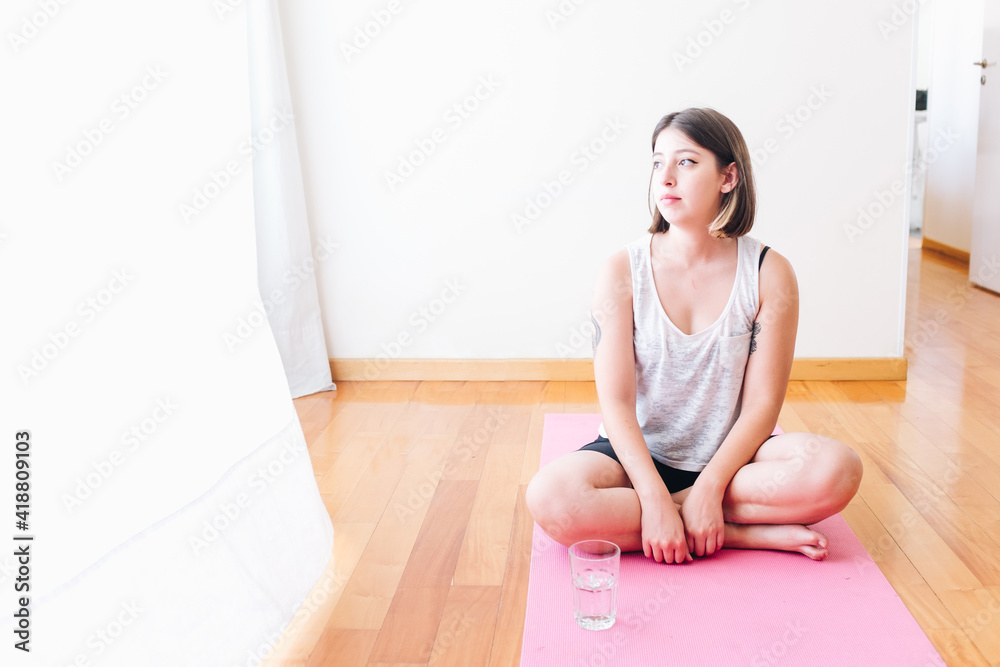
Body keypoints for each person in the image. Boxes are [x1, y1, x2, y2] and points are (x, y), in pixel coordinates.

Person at [526, 107, 863, 564]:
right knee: (551, 498)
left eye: (685, 162)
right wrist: (652, 498)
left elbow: (763, 406)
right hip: (636, 462)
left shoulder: (769, 272)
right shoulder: (621, 271)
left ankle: (694, 515)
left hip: (733, 463)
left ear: (728, 177)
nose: (665, 177)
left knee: (837, 469)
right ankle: (738, 532)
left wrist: (709, 487)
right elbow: (617, 403)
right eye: (657, 162)